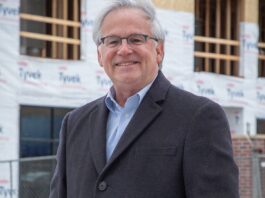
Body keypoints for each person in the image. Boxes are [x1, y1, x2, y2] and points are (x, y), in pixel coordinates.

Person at [49, 0, 239, 197]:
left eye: (136, 39)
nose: (123, 50)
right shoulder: (74, 123)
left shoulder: (199, 117)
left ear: (159, 51)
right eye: (112, 41)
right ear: (99, 55)